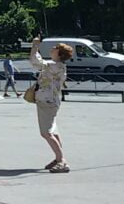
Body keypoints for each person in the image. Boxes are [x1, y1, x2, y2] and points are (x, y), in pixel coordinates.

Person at [29, 37, 71, 173]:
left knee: (46, 132)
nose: (53, 48)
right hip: (52, 101)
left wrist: (35, 46)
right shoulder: (58, 66)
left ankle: (61, 161)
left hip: (46, 101)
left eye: (55, 47)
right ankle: (58, 157)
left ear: (59, 53)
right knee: (53, 130)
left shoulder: (53, 65)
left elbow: (35, 62)